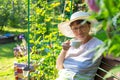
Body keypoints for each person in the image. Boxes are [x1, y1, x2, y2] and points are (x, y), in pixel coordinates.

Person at [56, 11, 103, 80]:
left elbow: (113, 56)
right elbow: (58, 66)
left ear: (89, 26)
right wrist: (64, 50)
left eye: (82, 27)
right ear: (72, 30)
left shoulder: (98, 45)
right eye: (75, 28)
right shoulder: (71, 43)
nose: (79, 31)